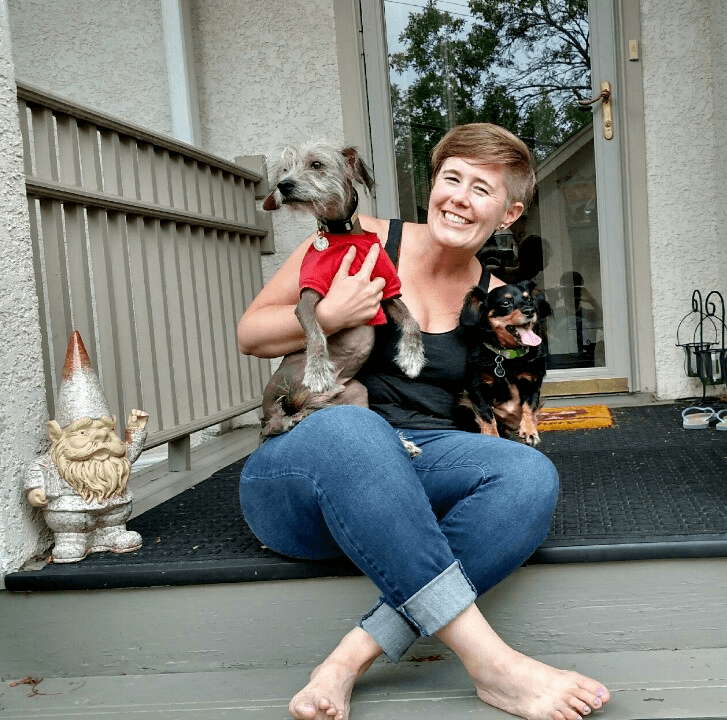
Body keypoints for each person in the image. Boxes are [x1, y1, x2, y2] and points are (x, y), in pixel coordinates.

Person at [237, 123, 610, 720]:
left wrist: (514, 409)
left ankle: (349, 657)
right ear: (432, 186)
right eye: (450, 179)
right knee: (357, 427)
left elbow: (505, 385)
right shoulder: (358, 242)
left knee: (530, 474)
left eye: (480, 189)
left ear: (509, 213)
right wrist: (332, 313)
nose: (459, 196)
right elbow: (249, 334)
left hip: (411, 472)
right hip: (304, 466)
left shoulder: (493, 298)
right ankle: (492, 663)